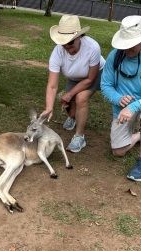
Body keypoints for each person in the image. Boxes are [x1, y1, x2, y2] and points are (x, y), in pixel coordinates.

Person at [101, 16, 141, 182]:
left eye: (130, 45)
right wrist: (118, 99)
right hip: (123, 107)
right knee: (118, 152)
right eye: (125, 45)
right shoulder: (114, 56)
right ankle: (139, 136)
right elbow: (105, 85)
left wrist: (133, 107)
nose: (126, 49)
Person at [41, 15, 105, 153]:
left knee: (80, 98)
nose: (67, 47)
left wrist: (70, 93)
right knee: (67, 106)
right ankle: (73, 118)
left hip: (94, 75)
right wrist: (49, 108)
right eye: (64, 43)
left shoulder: (92, 47)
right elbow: (52, 85)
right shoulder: (57, 53)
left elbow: (89, 78)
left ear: (79, 37)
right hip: (74, 77)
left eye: (70, 43)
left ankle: (79, 136)